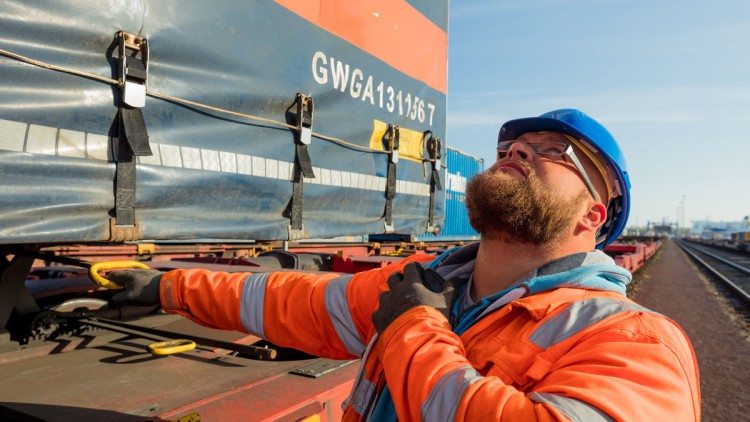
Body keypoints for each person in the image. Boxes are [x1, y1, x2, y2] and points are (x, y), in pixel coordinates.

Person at [109, 109, 700, 421]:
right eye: (512, 147)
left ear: (593, 215)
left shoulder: (636, 344)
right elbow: (295, 303)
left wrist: (413, 329)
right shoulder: (428, 283)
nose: (517, 150)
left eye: (556, 152)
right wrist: (168, 287)